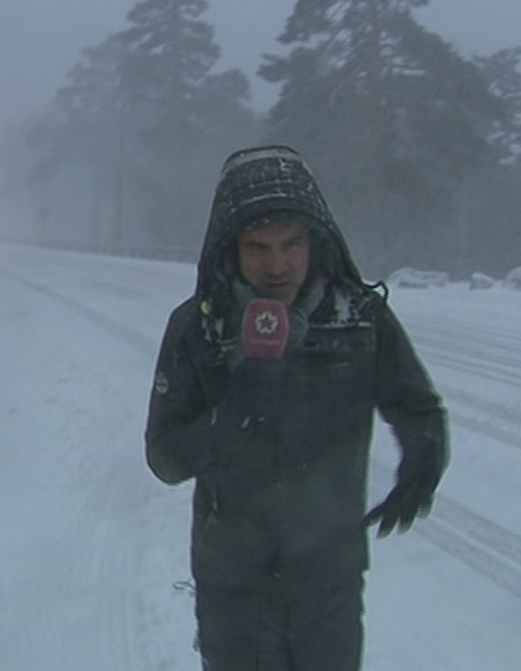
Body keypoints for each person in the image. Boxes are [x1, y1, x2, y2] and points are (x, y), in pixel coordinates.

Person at [145, 144, 450, 671]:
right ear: (230, 249)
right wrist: (227, 418)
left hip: (327, 572)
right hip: (232, 578)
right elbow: (165, 458)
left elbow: (417, 405)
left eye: (292, 243)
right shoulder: (199, 327)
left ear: (316, 242)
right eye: (257, 246)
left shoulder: (361, 319)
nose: (277, 264)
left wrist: (425, 454)